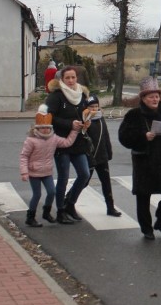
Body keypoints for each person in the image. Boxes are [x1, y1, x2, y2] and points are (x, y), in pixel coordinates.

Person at [118, 77, 161, 239]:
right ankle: (146, 229)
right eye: (150, 96)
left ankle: (160, 221)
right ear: (142, 98)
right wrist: (143, 137)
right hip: (145, 164)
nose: (155, 99)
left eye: (156, 96)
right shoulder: (134, 115)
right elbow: (124, 137)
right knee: (143, 198)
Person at [45, 65, 91, 222]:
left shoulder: (82, 95)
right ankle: (60, 211)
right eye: (67, 78)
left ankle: (70, 203)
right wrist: (69, 124)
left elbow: (86, 114)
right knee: (63, 177)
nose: (71, 80)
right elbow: (48, 117)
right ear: (61, 79)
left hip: (78, 142)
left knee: (84, 174)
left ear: (77, 78)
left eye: (73, 77)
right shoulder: (56, 96)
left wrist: (87, 123)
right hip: (61, 142)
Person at [19, 110, 80, 227]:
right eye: (42, 128)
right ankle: (30, 217)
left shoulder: (53, 138)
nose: (45, 130)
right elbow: (24, 156)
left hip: (47, 172)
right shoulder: (31, 140)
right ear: (37, 128)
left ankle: (46, 212)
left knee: (52, 192)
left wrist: (74, 130)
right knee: (37, 195)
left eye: (47, 127)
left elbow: (67, 143)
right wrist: (24, 172)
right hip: (34, 172)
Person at [85, 95, 121, 217]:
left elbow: (105, 135)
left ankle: (110, 207)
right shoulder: (85, 120)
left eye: (96, 106)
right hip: (90, 157)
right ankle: (68, 202)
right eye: (91, 107)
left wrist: (109, 152)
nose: (94, 109)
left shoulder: (101, 119)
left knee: (106, 182)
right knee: (84, 182)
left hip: (102, 156)